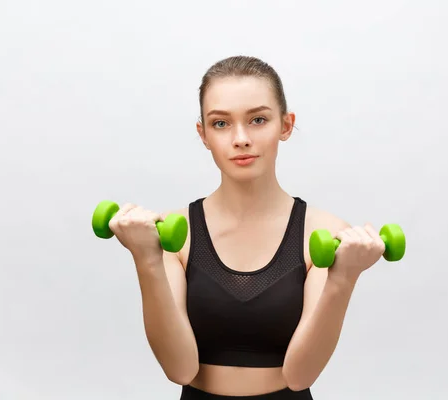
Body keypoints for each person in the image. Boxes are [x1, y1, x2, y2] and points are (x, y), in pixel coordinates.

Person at [107, 56, 387, 399]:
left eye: (257, 120)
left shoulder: (325, 235)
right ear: (204, 134)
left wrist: (343, 279)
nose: (240, 138)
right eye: (221, 124)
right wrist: (146, 260)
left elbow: (301, 375)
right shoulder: (173, 234)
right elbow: (179, 369)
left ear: (285, 125)